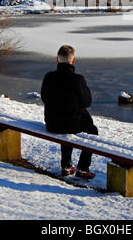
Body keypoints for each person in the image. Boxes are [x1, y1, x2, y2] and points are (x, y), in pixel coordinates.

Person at [41, 44, 98, 179]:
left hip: (51, 123)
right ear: (73, 60)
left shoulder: (49, 77)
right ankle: (83, 169)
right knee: (92, 130)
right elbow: (86, 102)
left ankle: (66, 166)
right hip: (69, 124)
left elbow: (44, 98)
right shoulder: (77, 79)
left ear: (57, 59)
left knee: (67, 123)